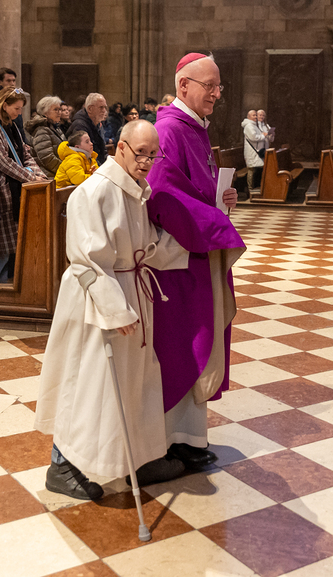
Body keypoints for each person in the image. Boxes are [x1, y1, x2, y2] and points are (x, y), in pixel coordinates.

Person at [35, 120, 191, 500]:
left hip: (132, 290)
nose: (147, 162)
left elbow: (147, 246)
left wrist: (196, 244)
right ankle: (61, 466)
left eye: (153, 155)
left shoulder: (136, 189)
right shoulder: (94, 192)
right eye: (140, 153)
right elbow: (87, 262)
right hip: (98, 302)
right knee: (90, 382)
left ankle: (142, 457)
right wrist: (115, 310)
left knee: (137, 380)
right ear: (120, 147)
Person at [146, 53, 245, 472]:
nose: (217, 94)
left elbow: (194, 188)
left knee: (198, 345)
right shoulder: (169, 130)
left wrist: (221, 198)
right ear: (184, 85)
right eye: (210, 86)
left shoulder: (195, 128)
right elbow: (162, 194)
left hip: (196, 251)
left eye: (219, 87)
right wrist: (213, 223)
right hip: (178, 258)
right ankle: (170, 441)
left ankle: (189, 438)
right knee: (181, 347)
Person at [0, 87, 46, 283]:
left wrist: (40, 176)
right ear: (4, 105)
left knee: (16, 242)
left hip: (19, 185)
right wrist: (31, 178)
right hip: (4, 188)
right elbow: (2, 161)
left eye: (21, 108)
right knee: (4, 245)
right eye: (16, 108)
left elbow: (25, 153)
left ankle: (15, 283)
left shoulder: (11, 124)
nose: (19, 112)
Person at [25, 96, 66, 178]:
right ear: (45, 113)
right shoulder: (41, 130)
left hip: (57, 173)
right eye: (55, 109)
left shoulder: (55, 128)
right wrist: (65, 169)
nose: (59, 112)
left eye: (60, 109)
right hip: (49, 176)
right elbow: (47, 158)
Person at [67, 93, 108, 162]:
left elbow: (102, 150)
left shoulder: (97, 124)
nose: (104, 110)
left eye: (105, 107)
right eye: (101, 107)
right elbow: (85, 154)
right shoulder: (79, 125)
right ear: (89, 109)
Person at [242, 109, 270, 189]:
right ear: (249, 117)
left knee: (256, 170)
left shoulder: (254, 125)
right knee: (251, 170)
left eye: (255, 115)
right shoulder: (249, 126)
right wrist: (263, 135)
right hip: (252, 152)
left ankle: (257, 187)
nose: (255, 117)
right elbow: (254, 137)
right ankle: (250, 189)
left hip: (256, 151)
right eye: (253, 115)